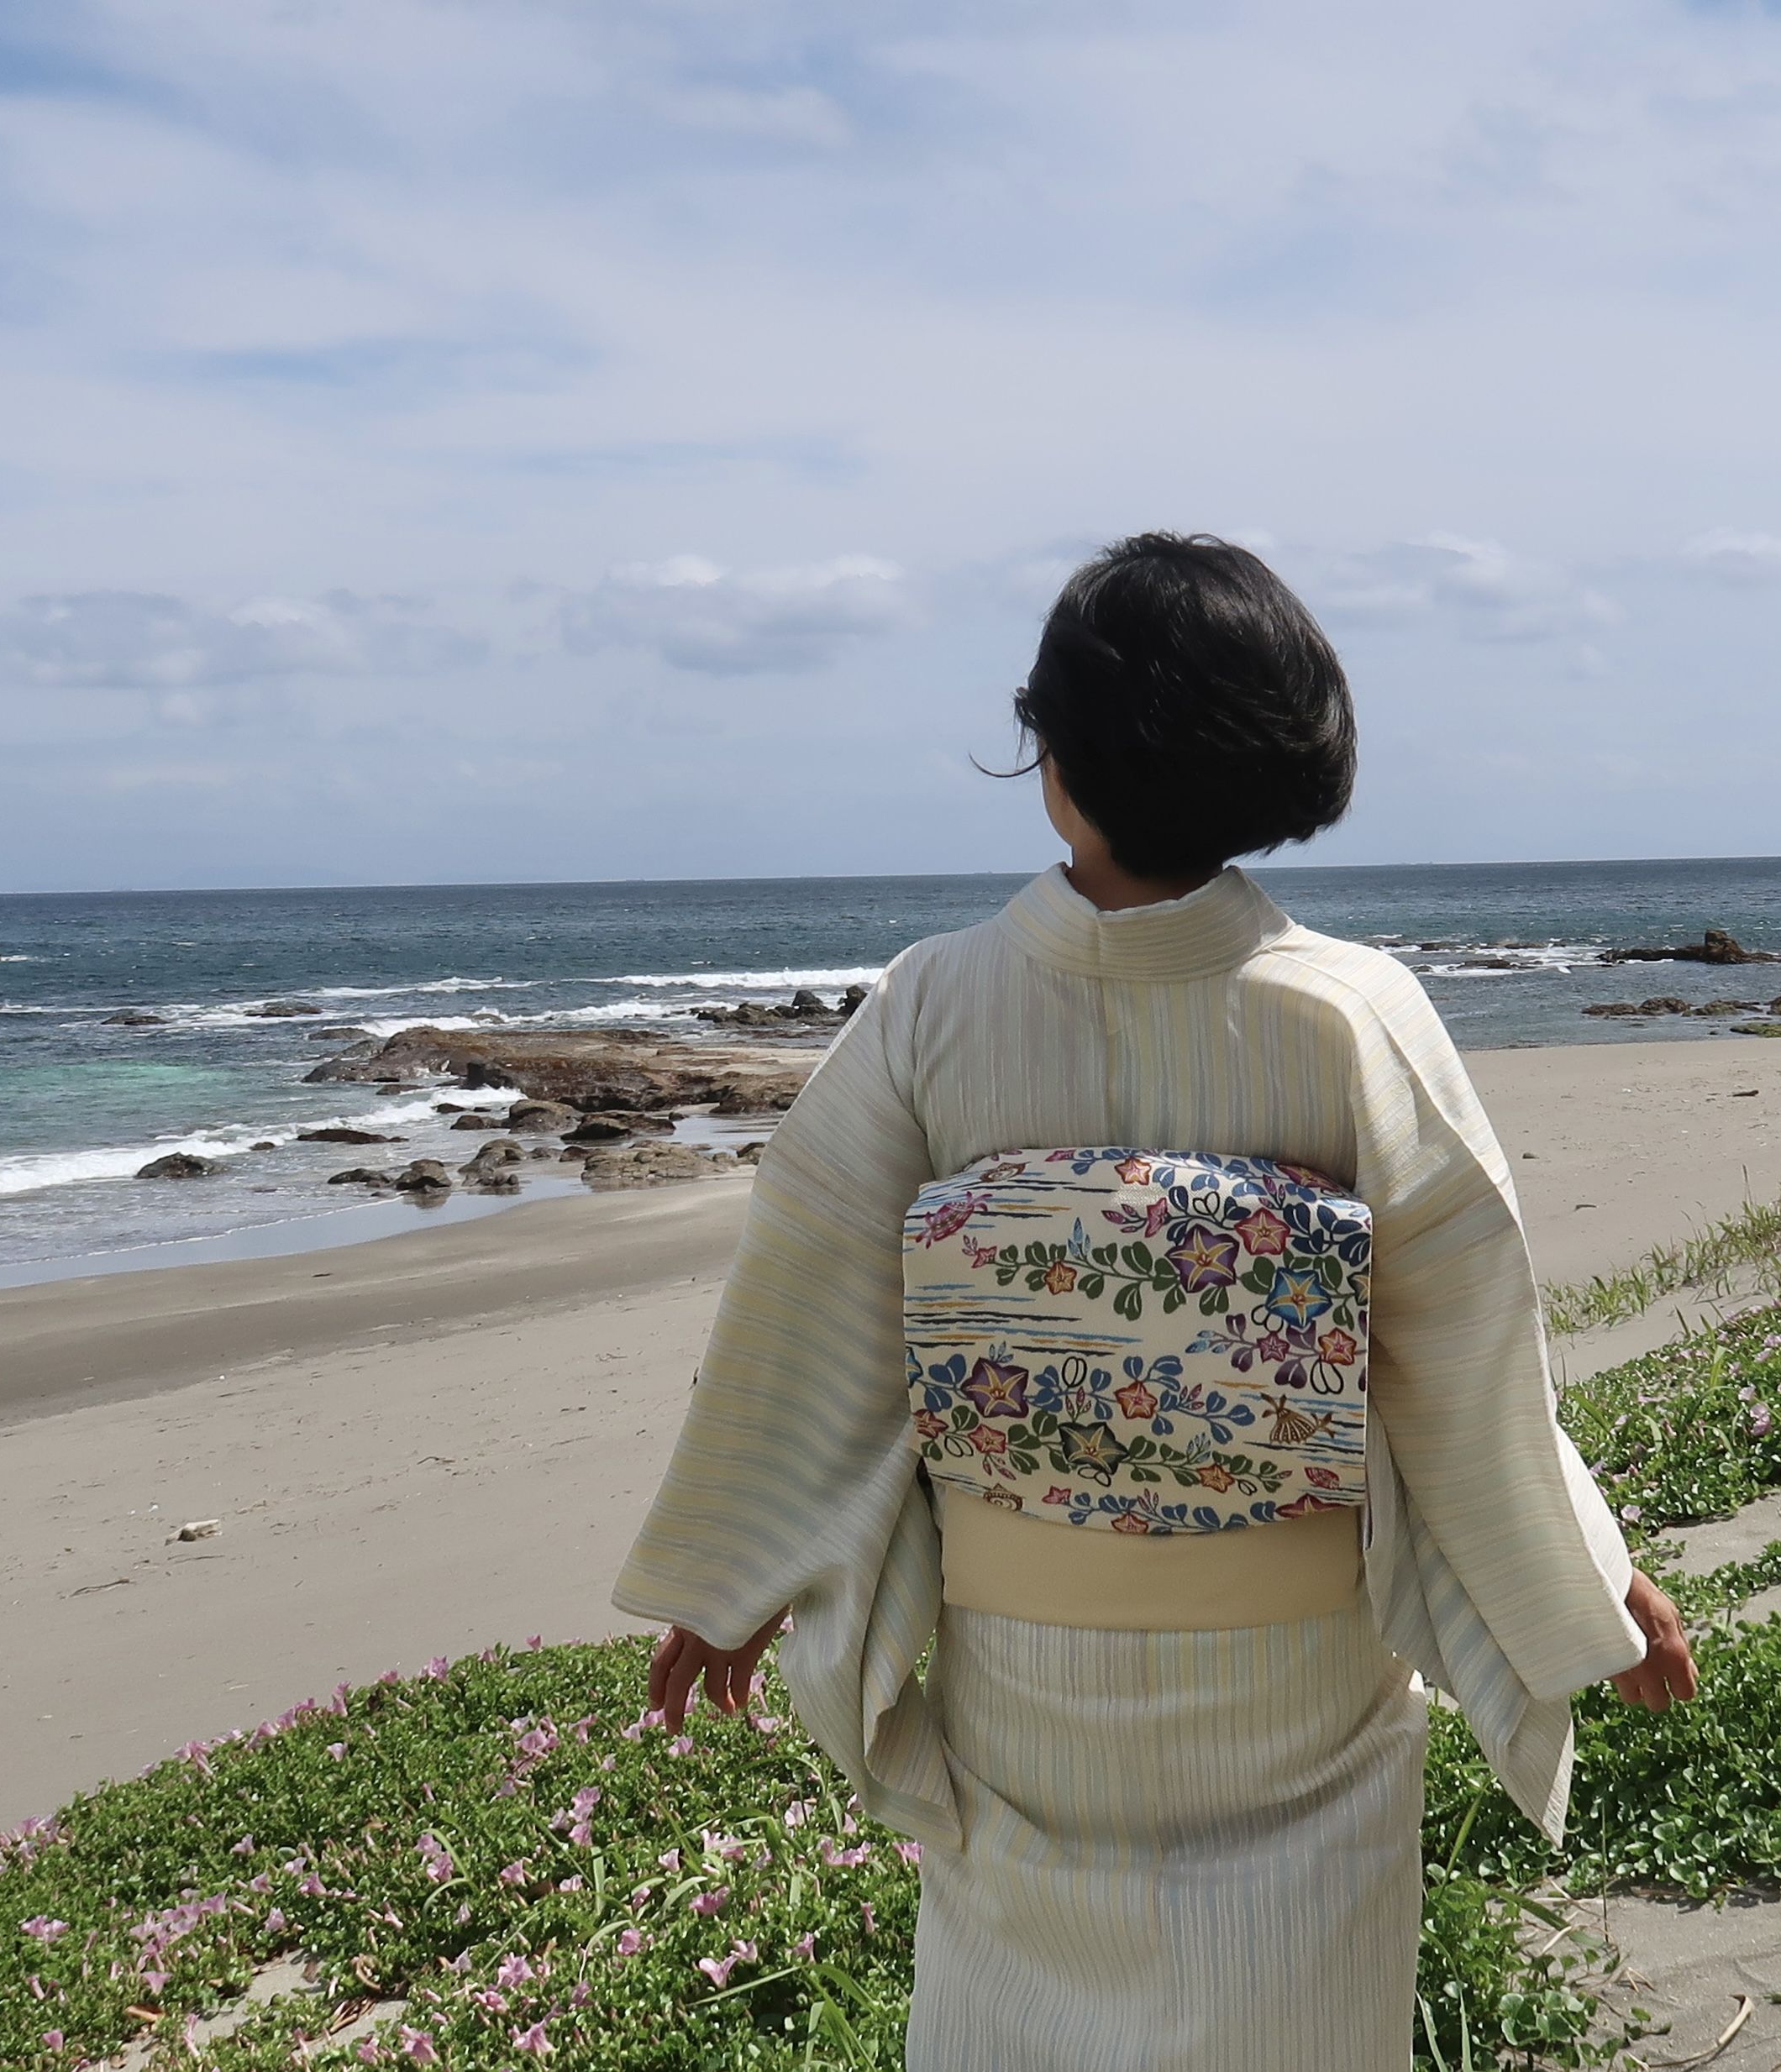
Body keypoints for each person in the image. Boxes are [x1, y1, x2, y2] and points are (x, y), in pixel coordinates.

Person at [611, 532, 1696, 2071]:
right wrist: (1592, 1571)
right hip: (1294, 1678)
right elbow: (1461, 1355)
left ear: (1053, 756)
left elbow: (820, 1302)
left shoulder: (933, 1005)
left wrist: (739, 1574)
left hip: (1032, 1677)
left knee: (1017, 2006)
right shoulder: (1355, 1014)